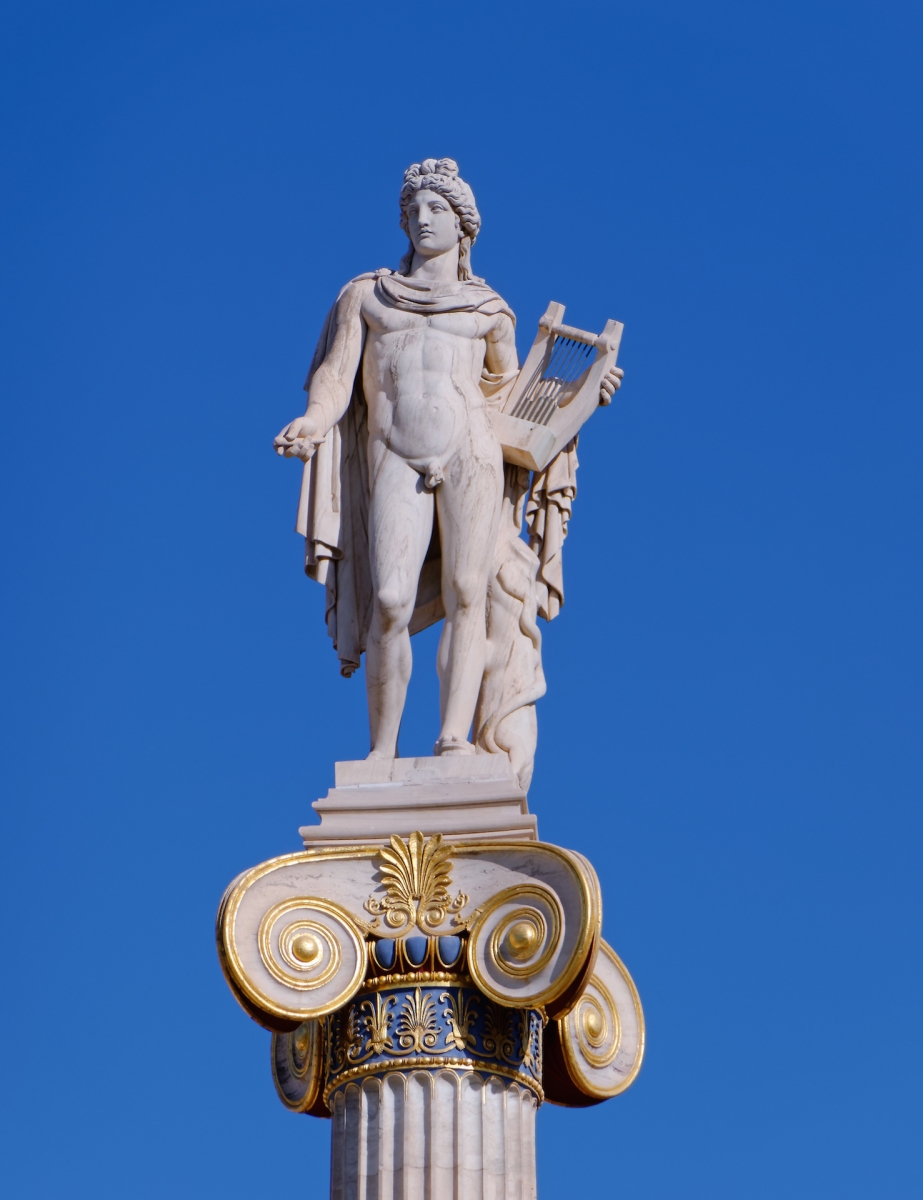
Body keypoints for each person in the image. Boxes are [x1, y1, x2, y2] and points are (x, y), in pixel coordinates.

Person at [274, 159, 621, 770]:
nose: (422, 219)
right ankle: (381, 750)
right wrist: (314, 420)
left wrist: (584, 394)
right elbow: (334, 377)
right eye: (413, 210)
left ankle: (453, 737)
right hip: (394, 452)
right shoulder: (368, 295)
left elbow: (517, 401)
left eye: (436, 209)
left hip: (472, 451)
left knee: (468, 592)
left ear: (464, 227)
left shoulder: (490, 308)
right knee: (388, 599)